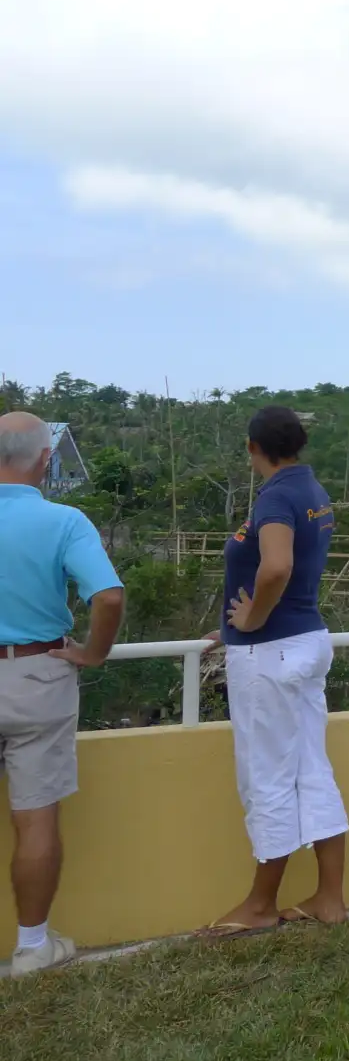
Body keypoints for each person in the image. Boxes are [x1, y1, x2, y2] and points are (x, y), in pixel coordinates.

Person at [197, 406, 348, 938]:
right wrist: (232, 626)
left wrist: (252, 620)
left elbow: (278, 566)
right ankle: (329, 898)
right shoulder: (311, 490)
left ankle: (261, 905)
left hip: (271, 653)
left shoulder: (277, 497)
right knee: (311, 769)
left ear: (252, 447)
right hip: (303, 642)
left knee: (267, 778)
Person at [0, 411, 124, 977]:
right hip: (37, 678)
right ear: (46, 460)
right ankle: (32, 948)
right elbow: (109, 597)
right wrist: (92, 653)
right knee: (35, 818)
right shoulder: (65, 520)